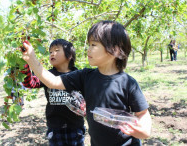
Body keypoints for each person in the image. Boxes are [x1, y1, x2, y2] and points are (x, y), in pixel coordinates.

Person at [21, 21, 152, 146]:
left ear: (115, 49)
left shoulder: (128, 83)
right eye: (89, 44)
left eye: (93, 45)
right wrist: (32, 59)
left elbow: (143, 114)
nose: (88, 49)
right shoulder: (85, 76)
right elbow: (53, 81)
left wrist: (144, 131)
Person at [21, 39, 86, 146]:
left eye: (56, 50)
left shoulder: (77, 75)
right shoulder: (46, 74)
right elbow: (30, 83)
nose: (52, 53)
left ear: (69, 55)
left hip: (75, 126)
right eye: (50, 52)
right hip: (55, 127)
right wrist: (26, 64)